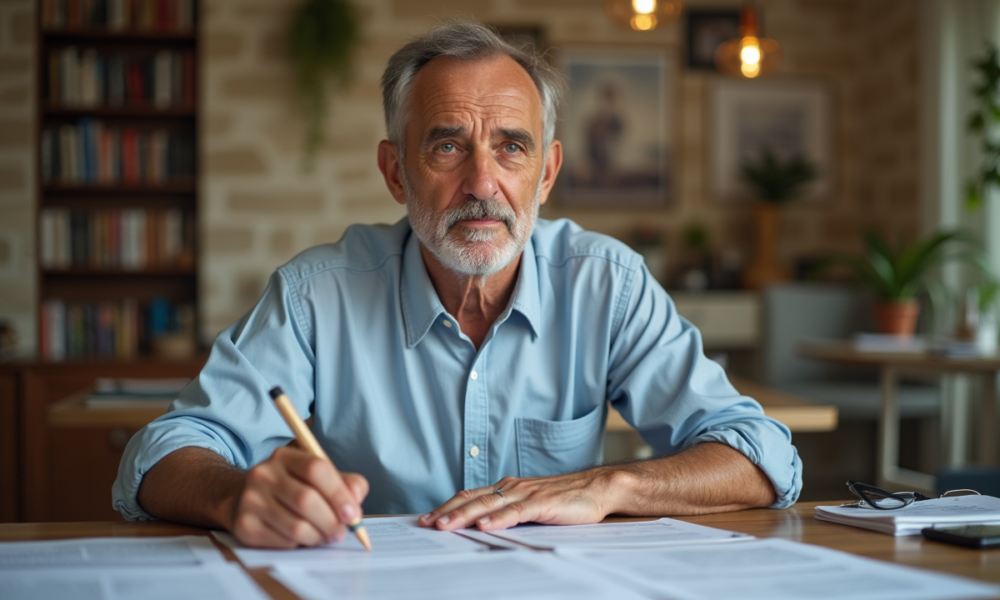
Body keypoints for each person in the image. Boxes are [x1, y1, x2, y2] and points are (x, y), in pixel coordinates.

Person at [113, 21, 801, 549]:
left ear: (547, 174)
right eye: (447, 145)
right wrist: (235, 494)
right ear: (395, 172)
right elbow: (161, 454)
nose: (482, 183)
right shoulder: (315, 295)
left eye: (511, 147)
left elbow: (762, 455)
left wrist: (608, 486)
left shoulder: (606, 284)